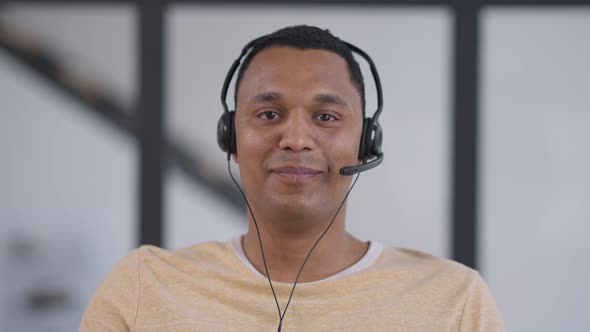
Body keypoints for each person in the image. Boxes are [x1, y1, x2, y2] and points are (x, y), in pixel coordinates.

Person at [79, 25, 505, 332]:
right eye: (269, 115)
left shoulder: (454, 301)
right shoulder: (142, 286)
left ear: (366, 142)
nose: (297, 139)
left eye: (326, 117)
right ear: (230, 137)